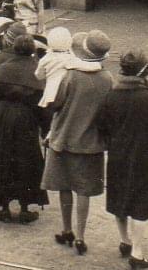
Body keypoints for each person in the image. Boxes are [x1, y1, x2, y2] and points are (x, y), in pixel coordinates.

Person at [96, 49, 148, 270]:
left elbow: (101, 125)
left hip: (118, 156)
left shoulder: (111, 95)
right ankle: (138, 253)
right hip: (145, 157)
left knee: (119, 198)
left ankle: (125, 241)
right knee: (141, 203)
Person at [41, 30, 113, 256]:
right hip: (91, 144)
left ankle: (66, 229)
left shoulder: (70, 76)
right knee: (83, 190)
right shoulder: (108, 79)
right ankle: (81, 236)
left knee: (64, 186)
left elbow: (56, 103)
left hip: (63, 138)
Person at [0, 35, 49, 224]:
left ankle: (3, 207)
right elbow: (41, 104)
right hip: (26, 117)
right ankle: (25, 207)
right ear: (32, 51)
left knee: (2, 157)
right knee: (26, 160)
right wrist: (45, 128)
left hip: (2, 115)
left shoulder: (1, 69)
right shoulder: (37, 71)